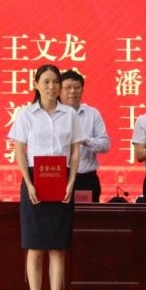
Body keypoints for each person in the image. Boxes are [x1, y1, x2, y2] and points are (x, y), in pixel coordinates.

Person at [9, 64, 86, 290]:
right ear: (36, 84)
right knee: (35, 247)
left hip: (62, 180)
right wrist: (28, 183)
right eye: (46, 82)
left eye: (55, 82)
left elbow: (75, 151)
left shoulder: (70, 115)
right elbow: (20, 151)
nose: (51, 87)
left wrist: (71, 182)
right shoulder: (25, 114)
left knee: (57, 247)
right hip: (34, 181)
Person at [59, 69, 111, 202]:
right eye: (68, 87)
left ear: (82, 90)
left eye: (77, 88)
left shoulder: (92, 114)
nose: (72, 91)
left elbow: (105, 145)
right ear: (59, 90)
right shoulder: (52, 115)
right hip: (58, 177)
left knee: (86, 215)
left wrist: (85, 140)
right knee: (58, 214)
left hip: (85, 179)